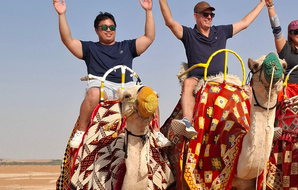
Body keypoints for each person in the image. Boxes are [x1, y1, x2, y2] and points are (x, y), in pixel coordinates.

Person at [53, 0, 171, 148]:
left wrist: (148, 11)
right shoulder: (90, 48)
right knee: (94, 94)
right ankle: (81, 132)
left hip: (127, 86)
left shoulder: (126, 46)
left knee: (149, 95)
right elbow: (68, 41)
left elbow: (149, 37)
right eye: (104, 27)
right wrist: (62, 14)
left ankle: (157, 132)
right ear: (96, 30)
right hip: (102, 85)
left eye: (112, 27)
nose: (108, 30)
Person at [159, 0, 266, 138]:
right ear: (195, 16)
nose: (209, 17)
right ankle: (187, 121)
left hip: (223, 78)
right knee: (188, 83)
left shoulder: (220, 31)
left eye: (211, 14)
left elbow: (244, 23)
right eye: (205, 14)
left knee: (249, 90)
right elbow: (169, 22)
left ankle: (258, 125)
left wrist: (263, 3)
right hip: (199, 78)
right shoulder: (189, 34)